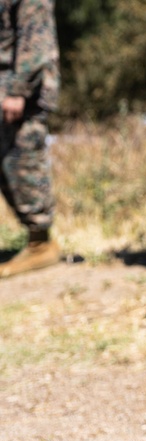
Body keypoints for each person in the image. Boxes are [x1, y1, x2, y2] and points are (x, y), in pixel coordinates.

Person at [0, 0, 59, 279]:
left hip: (15, 90)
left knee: (22, 160)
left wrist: (18, 88)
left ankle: (40, 244)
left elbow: (36, 35)